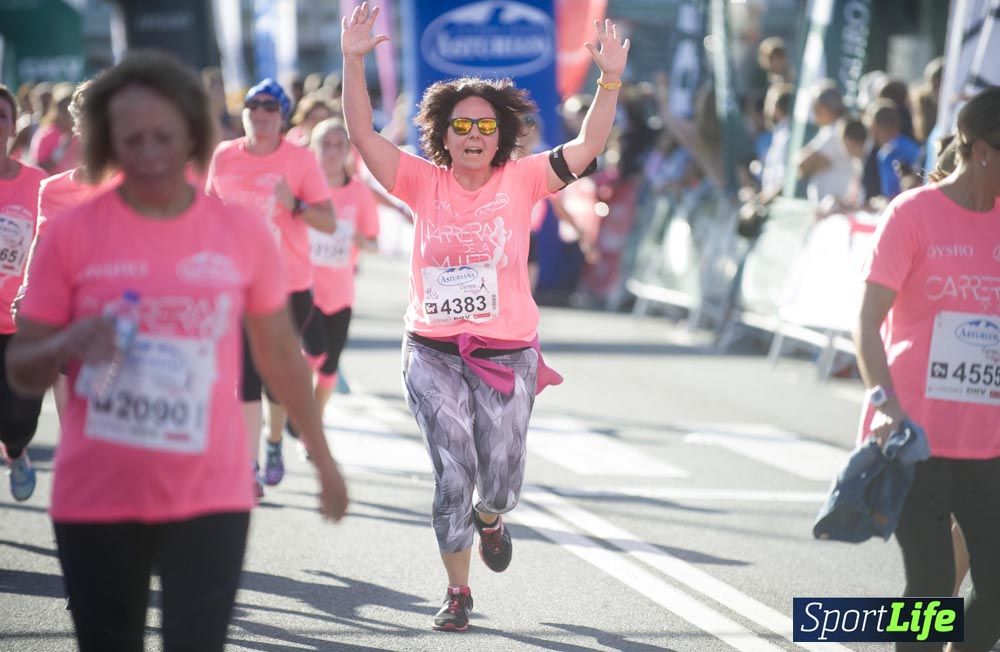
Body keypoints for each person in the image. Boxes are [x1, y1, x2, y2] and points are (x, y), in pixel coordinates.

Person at [4, 50, 348, 652]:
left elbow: (278, 356)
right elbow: (25, 371)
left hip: (210, 493)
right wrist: (66, 341)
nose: (148, 150)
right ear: (107, 140)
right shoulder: (69, 233)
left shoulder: (239, 233)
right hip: (98, 494)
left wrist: (321, 458)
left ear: (192, 135)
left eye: (164, 134)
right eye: (130, 136)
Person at [341, 2, 626, 631]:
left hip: (507, 354)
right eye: (463, 126)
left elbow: (587, 147)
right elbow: (364, 137)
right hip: (432, 349)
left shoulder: (522, 179)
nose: (474, 136)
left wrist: (608, 81)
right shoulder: (420, 181)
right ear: (443, 134)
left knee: (496, 481)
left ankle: (492, 518)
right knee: (451, 474)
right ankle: (459, 591)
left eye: (486, 127)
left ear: (501, 135)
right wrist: (353, 60)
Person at [853, 86, 1000, 652]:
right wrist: (884, 404)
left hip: (989, 444)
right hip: (919, 436)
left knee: (996, 589)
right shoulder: (913, 215)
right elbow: (866, 323)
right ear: (983, 150)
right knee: (933, 589)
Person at [206, 78, 336, 494]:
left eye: (270, 108)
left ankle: (274, 441)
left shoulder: (299, 161)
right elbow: (208, 212)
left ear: (282, 117)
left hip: (289, 284)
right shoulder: (224, 157)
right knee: (244, 374)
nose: (260, 115)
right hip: (238, 284)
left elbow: (328, 221)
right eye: (253, 107)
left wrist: (292, 203)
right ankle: (248, 467)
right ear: (243, 113)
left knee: (275, 373)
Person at [291, 118, 379, 427]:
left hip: (341, 293)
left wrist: (359, 241)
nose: (330, 152)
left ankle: (310, 423)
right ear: (312, 148)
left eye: (337, 145)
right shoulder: (300, 188)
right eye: (324, 145)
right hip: (304, 288)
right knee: (313, 353)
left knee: (329, 368)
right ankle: (296, 408)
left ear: (348, 151)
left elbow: (374, 243)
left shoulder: (359, 194)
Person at [0, 84, 47, 501]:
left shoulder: (37, 184)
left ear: (13, 126)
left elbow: (51, 243)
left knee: (20, 417)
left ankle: (16, 450)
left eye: (1, 115)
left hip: (21, 321)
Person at [798, 81, 854, 209]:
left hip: (835, 209)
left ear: (824, 107)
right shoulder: (831, 129)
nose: (814, 112)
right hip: (829, 209)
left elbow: (803, 164)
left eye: (815, 107)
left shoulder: (836, 129)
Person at [28, 83, 80, 175]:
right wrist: (60, 151)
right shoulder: (45, 134)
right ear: (56, 110)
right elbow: (37, 167)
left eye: (71, 111)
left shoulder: (82, 134)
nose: (68, 115)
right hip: (51, 187)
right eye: (64, 110)